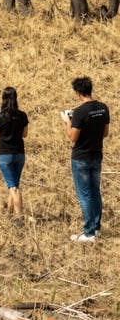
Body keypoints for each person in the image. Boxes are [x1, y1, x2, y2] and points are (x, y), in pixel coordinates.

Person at [64, 76, 110, 243]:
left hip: (81, 157)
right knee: (95, 192)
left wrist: (67, 121)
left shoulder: (80, 112)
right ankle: (96, 228)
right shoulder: (103, 108)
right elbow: (105, 133)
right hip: (97, 155)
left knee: (84, 195)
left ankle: (88, 232)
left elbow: (72, 137)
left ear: (77, 93)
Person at [0, 86, 29, 225]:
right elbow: (25, 134)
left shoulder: (0, 117)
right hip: (19, 153)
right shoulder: (22, 115)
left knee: (13, 187)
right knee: (14, 183)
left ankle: (19, 217)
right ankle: (9, 213)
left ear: (3, 99)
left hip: (5, 154)